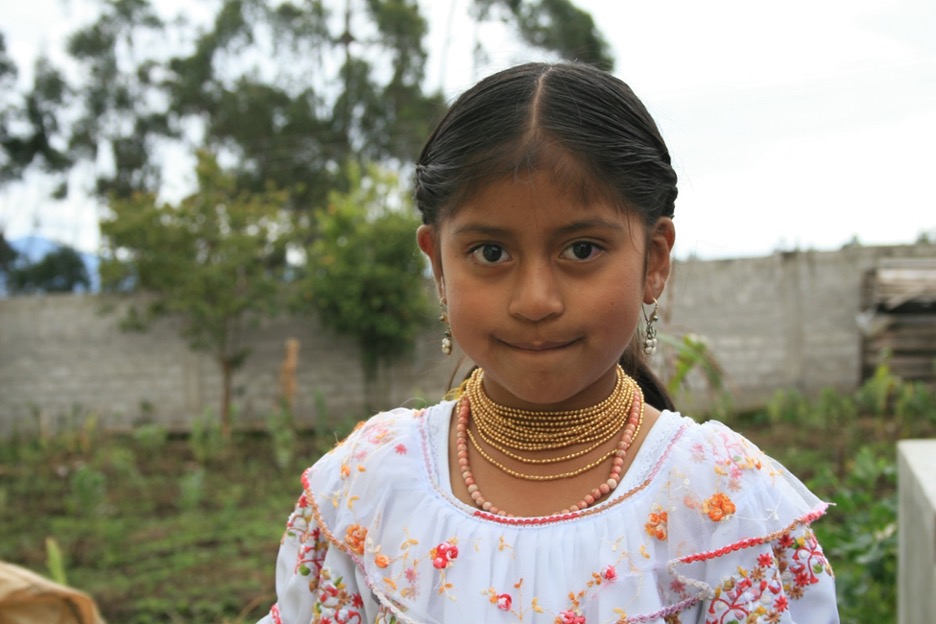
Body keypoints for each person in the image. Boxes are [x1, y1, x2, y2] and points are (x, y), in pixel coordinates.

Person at [257, 62, 839, 624]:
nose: (535, 300)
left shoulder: (724, 503)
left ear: (654, 261)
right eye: (491, 252)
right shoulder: (365, 490)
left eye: (582, 249)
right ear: (438, 264)